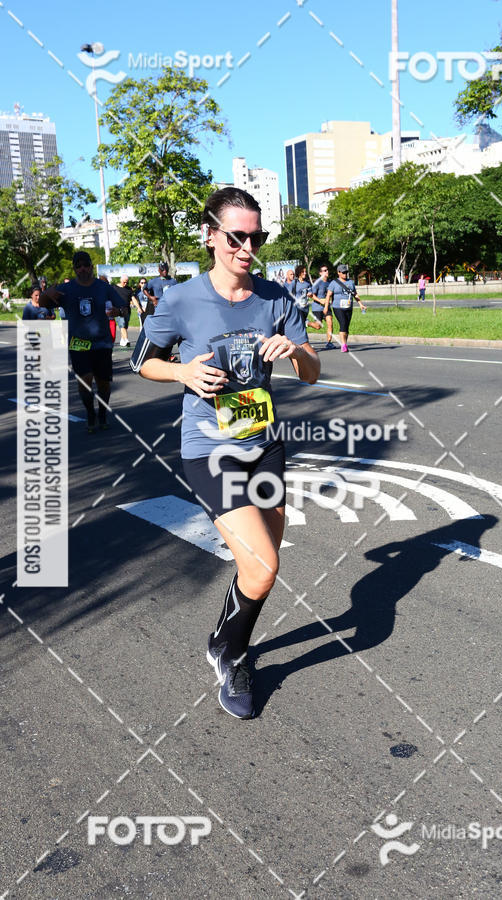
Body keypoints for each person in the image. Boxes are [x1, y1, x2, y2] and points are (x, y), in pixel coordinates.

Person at [131, 187, 320, 719]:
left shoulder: (276, 298)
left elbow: (312, 371)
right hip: (210, 449)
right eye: (237, 236)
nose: (248, 247)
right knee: (263, 567)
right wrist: (183, 371)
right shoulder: (181, 299)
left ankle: (223, 638)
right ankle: (233, 657)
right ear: (210, 236)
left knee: (259, 568)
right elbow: (142, 361)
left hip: (265, 445)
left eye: (257, 237)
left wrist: (297, 353)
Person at [39, 250, 128, 432]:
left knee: (103, 382)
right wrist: (47, 293)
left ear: (90, 267)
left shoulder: (103, 287)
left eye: (86, 265)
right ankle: (90, 413)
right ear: (74, 269)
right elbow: (41, 303)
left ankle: (102, 412)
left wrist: (118, 312)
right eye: (78, 266)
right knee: (85, 380)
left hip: (102, 342)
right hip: (78, 343)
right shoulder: (67, 289)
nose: (83, 269)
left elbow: (124, 308)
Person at [323, 263, 366, 353]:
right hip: (338, 307)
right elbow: (328, 295)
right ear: (338, 272)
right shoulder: (334, 283)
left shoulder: (350, 282)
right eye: (343, 272)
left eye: (346, 272)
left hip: (348, 307)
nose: (345, 274)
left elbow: (355, 294)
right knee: (342, 323)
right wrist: (326, 307)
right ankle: (343, 345)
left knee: (346, 326)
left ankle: (345, 343)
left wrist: (360, 304)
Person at [310, 264, 334, 345]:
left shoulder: (329, 283)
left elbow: (331, 294)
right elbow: (312, 295)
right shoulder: (317, 282)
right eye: (324, 270)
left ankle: (329, 343)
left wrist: (331, 301)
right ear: (320, 273)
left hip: (326, 307)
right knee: (318, 326)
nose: (327, 272)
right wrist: (320, 301)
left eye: (327, 270)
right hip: (317, 307)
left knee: (330, 322)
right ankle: (307, 323)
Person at [113, 274, 134, 348]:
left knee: (125, 325)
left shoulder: (129, 289)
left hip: (127, 310)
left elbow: (133, 298)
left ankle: (122, 339)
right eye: (124, 282)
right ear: (120, 280)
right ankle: (126, 339)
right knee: (122, 324)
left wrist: (138, 308)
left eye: (127, 282)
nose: (125, 284)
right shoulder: (114, 288)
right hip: (118, 310)